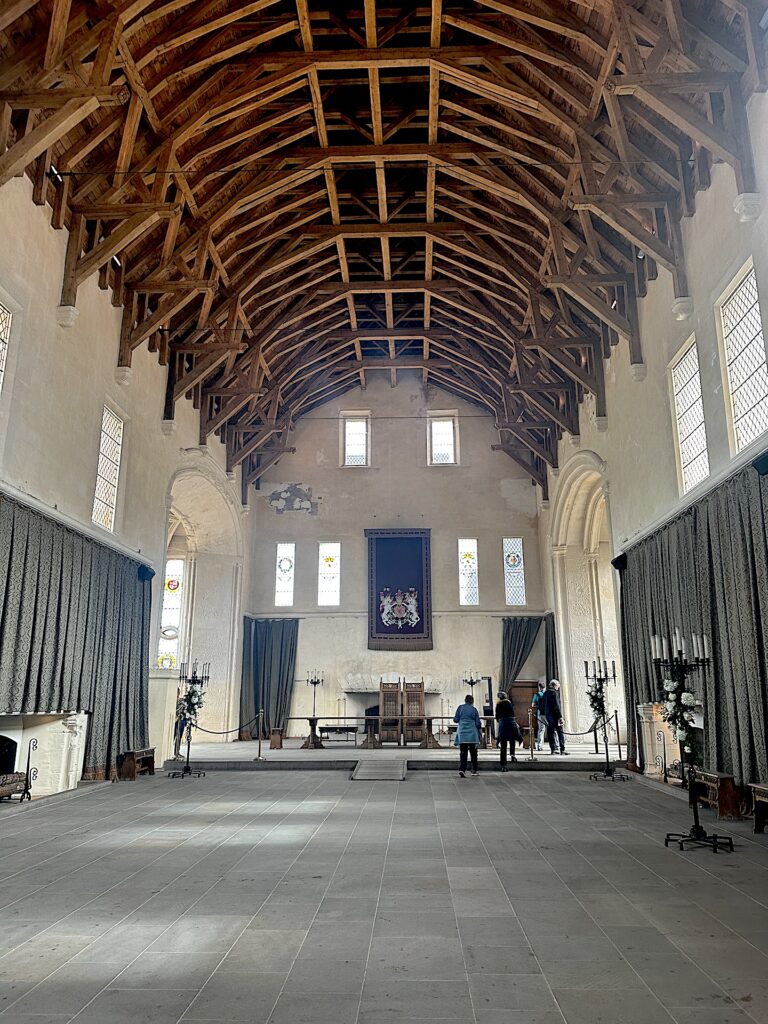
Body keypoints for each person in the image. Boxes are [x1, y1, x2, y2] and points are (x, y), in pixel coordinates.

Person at [454, 694, 481, 777]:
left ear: (465, 701)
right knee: (473, 753)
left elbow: (455, 720)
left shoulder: (460, 708)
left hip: (462, 733)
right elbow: (478, 723)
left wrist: (462, 720)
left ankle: (462, 770)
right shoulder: (474, 709)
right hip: (472, 733)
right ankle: (474, 770)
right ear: (472, 701)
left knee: (463, 753)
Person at [495, 690, 522, 771]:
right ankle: (513, 755)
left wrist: (500, 721)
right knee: (512, 740)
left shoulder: (499, 704)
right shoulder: (509, 703)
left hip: (503, 724)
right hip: (511, 723)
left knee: (503, 744)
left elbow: (497, 716)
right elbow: (513, 714)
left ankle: (503, 765)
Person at [540, 679, 568, 755]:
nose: (559, 685)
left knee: (550, 733)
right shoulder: (555, 693)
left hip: (548, 716)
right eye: (558, 684)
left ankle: (553, 749)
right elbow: (557, 705)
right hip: (555, 716)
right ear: (555, 685)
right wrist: (560, 717)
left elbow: (542, 705)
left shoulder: (545, 693)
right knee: (560, 732)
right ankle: (562, 749)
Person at [531, 680, 547, 751]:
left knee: (541, 730)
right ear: (544, 687)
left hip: (540, 714)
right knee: (553, 730)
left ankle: (540, 746)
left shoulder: (536, 695)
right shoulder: (547, 694)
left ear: (539, 687)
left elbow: (533, 705)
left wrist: (538, 705)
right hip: (548, 714)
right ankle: (556, 746)